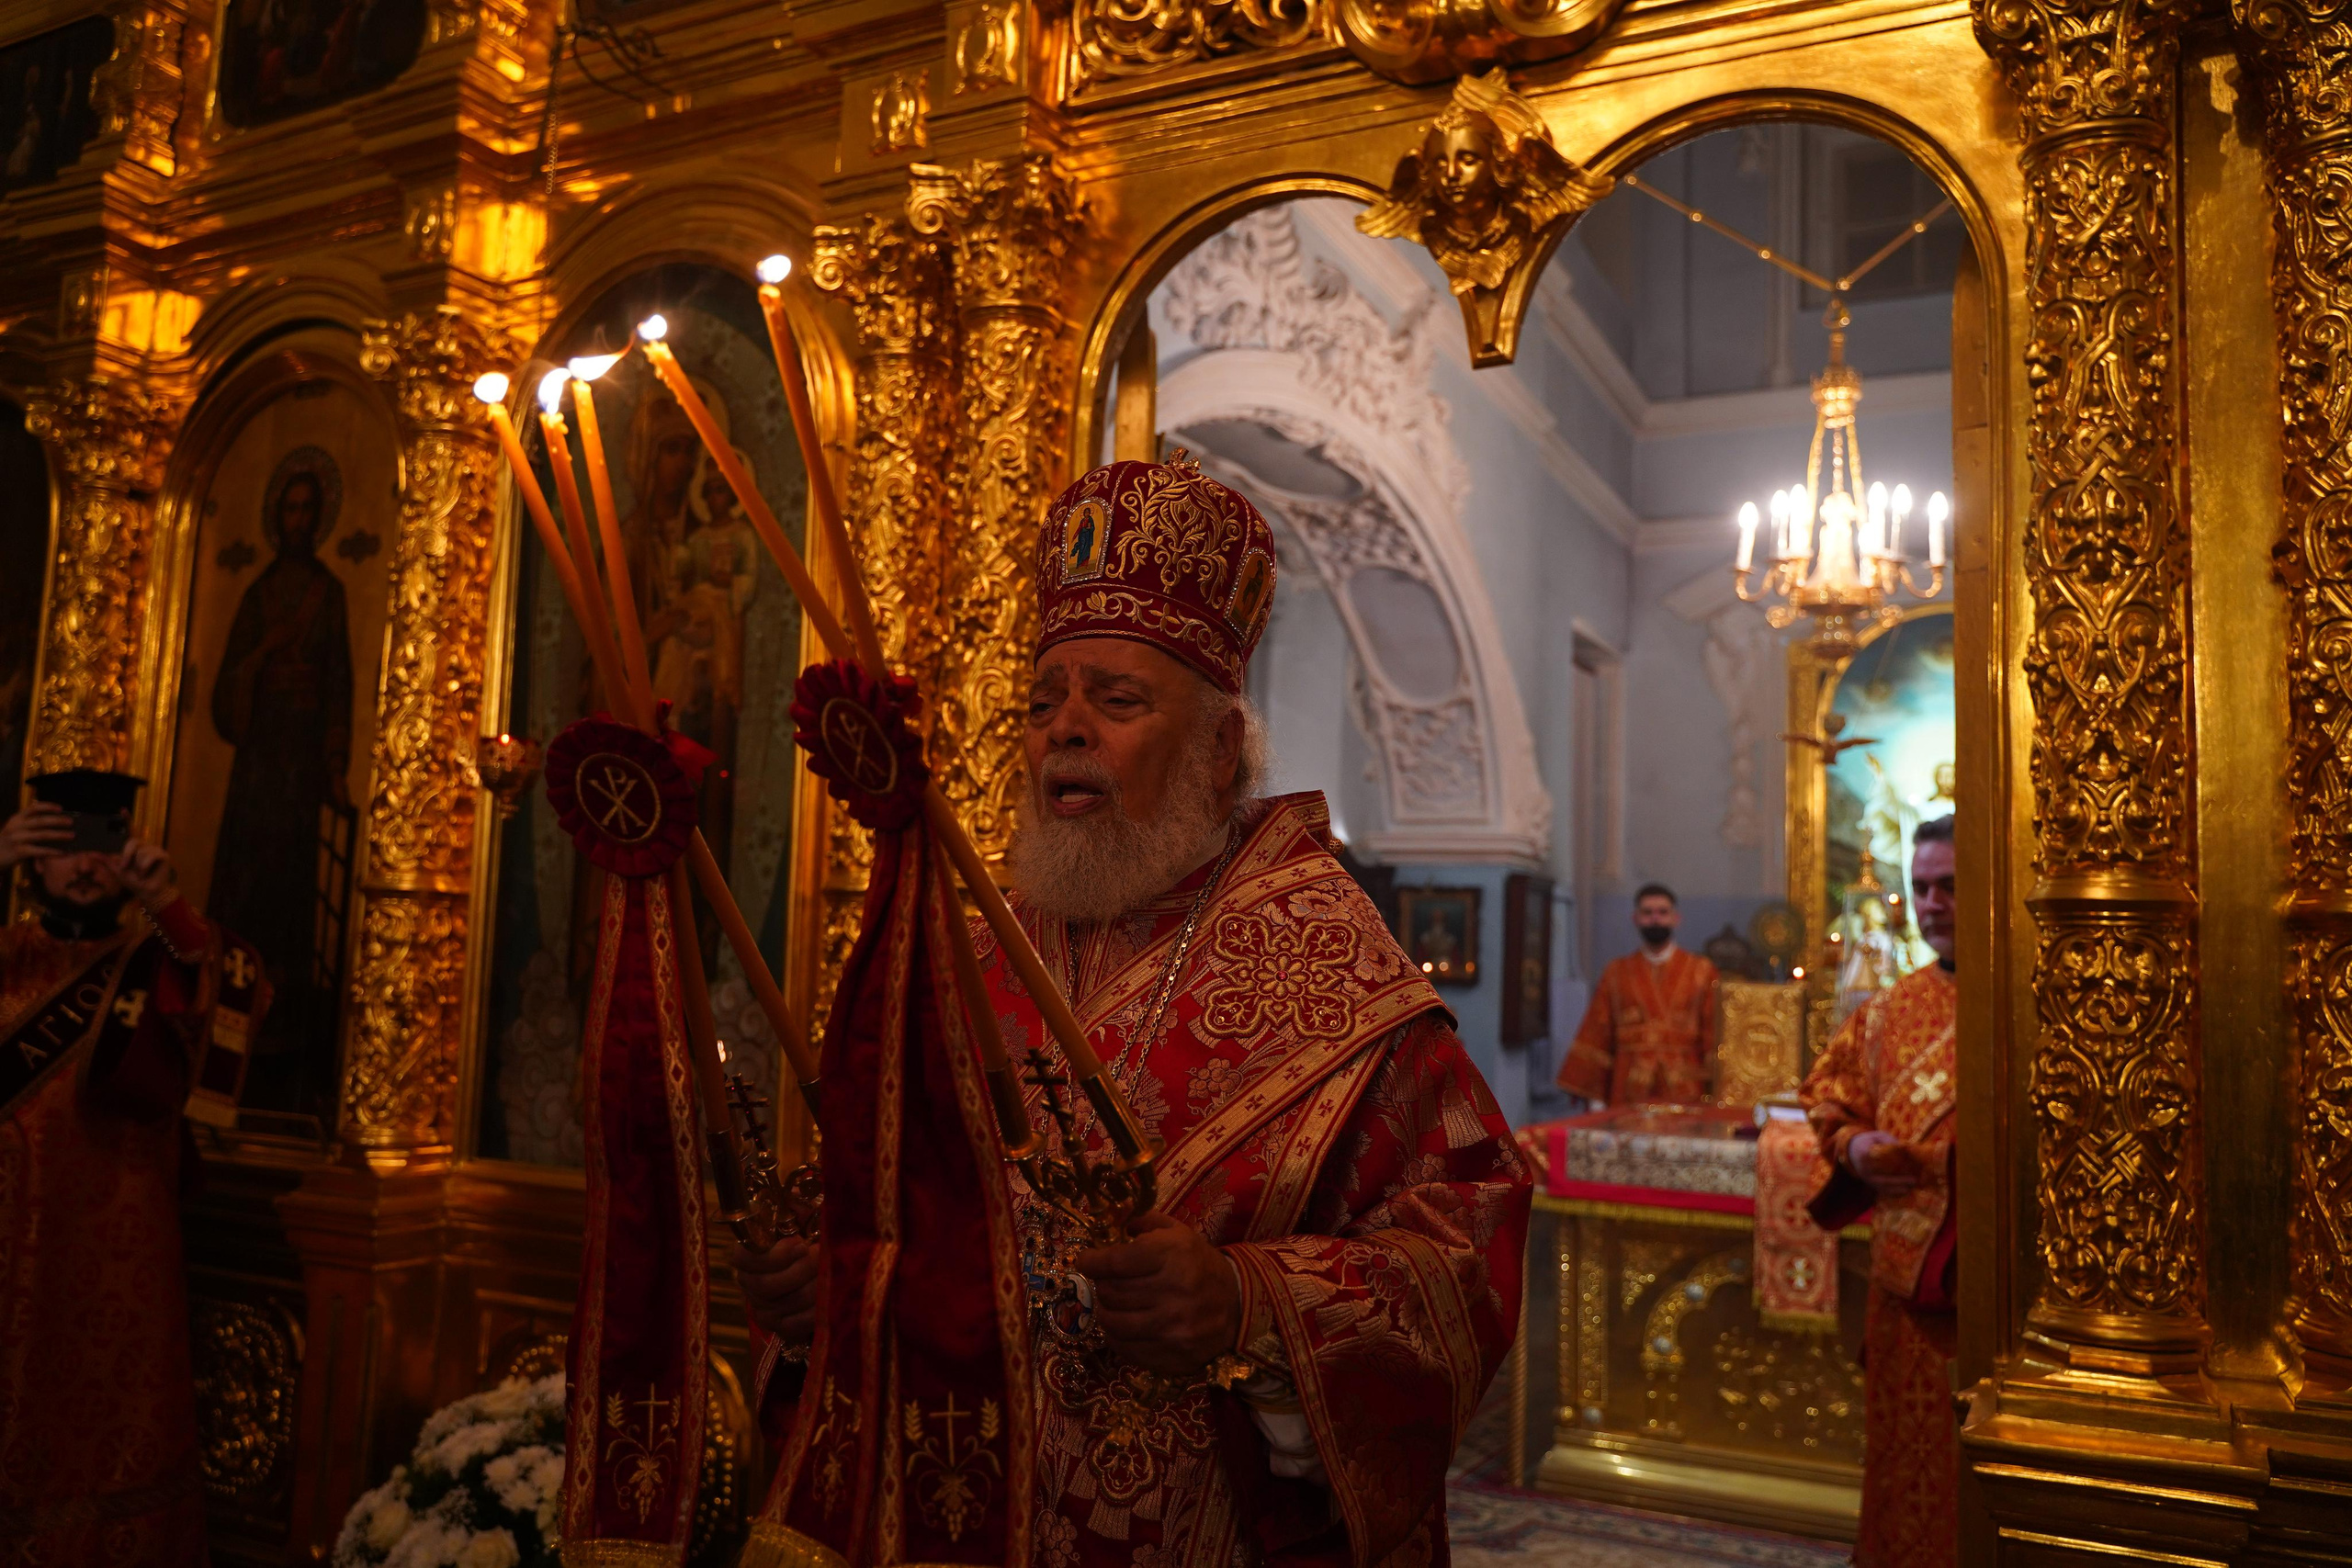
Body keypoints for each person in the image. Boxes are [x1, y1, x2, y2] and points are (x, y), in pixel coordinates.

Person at [737, 455, 1532, 1565]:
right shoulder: (965, 952)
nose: (1064, 730)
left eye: (1115, 701)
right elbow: (887, 1220)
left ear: (1218, 749)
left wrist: (1248, 1304)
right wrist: (818, 1289)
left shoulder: (1332, 965)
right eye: (1043, 703)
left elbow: (1466, 1242)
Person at [0, 770, 266, 1565]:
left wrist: (170, 904)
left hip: (121, 1248)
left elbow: (241, 996)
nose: (85, 864)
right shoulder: (9, 955)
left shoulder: (161, 961)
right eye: (64, 844)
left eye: (103, 843)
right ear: (32, 858)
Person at [1799, 813, 1959, 1568]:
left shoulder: (2027, 999)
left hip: (1993, 1289)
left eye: (1950, 885)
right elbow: (1828, 1096)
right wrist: (1856, 1145)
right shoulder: (1888, 1010)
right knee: (1903, 1459)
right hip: (1901, 1289)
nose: (1933, 903)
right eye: (1921, 888)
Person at [209, 456, 352, 1113]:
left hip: (299, 765)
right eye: (288, 509)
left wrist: (334, 765)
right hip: (258, 763)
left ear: (318, 518)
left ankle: (287, 1029)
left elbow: (340, 684)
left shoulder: (330, 593)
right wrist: (265, 652)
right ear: (277, 516)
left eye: (306, 510)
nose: (297, 521)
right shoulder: (259, 595)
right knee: (244, 882)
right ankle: (227, 1015)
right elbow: (228, 687)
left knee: (290, 887)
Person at [1556, 883, 1720, 1105]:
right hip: (1629, 1083)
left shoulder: (1701, 971)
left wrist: (1717, 1087)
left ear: (1675, 918)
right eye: (1647, 913)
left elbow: (1714, 1031)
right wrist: (1595, 1095)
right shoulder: (1616, 972)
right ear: (1636, 918)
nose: (1655, 918)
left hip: (1685, 1084)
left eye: (1662, 912)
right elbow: (1598, 1030)